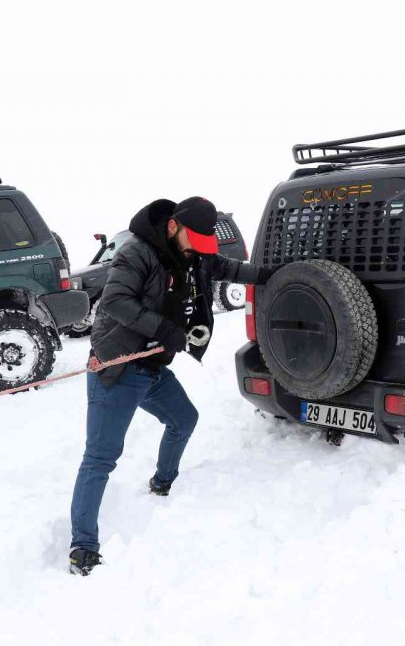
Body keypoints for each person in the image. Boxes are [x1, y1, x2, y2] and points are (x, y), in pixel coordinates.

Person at [68, 197, 271, 576]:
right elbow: (113, 301)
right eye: (194, 240)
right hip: (117, 370)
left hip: (151, 368)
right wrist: (163, 329)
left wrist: (272, 274)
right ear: (174, 226)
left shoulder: (194, 254)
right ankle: (83, 543)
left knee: (184, 419)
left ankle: (162, 483)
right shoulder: (137, 252)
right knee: (100, 457)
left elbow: (227, 267)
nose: (198, 251)